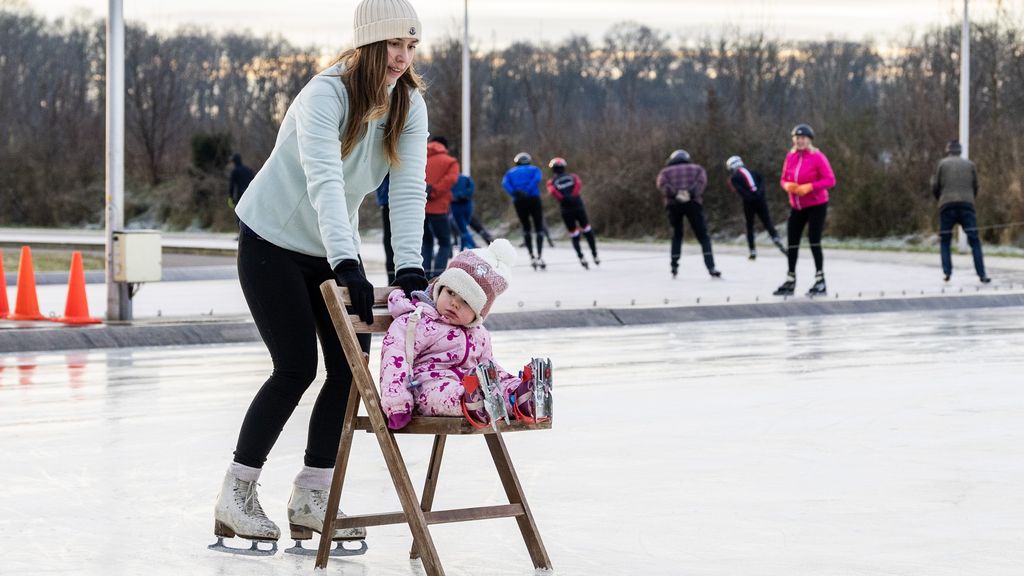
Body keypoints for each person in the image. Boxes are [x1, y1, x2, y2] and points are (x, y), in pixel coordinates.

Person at [213, 0, 430, 554]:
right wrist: (347, 261)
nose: (402, 58)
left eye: (410, 47)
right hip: (271, 241)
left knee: (348, 371)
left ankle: (312, 497)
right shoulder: (324, 95)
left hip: (328, 251)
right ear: (366, 45)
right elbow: (324, 181)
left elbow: (405, 190)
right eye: (391, 47)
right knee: (295, 367)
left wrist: (409, 265)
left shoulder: (408, 104)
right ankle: (236, 494)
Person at [378, 239, 548, 429]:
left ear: (478, 313)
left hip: (474, 383)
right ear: (439, 287)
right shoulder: (415, 322)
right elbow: (394, 361)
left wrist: (508, 381)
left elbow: (488, 367)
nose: (454, 303)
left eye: (466, 301)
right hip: (428, 387)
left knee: (496, 385)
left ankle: (521, 397)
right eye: (450, 292)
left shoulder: (479, 334)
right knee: (445, 392)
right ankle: (471, 401)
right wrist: (398, 405)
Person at [773, 123, 836, 297]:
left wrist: (810, 187)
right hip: (797, 206)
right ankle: (791, 278)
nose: (800, 141)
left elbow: (830, 180)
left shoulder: (817, 157)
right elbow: (783, 179)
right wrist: (788, 186)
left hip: (816, 204)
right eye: (797, 138)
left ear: (809, 140)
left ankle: (820, 280)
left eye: (803, 138)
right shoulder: (790, 157)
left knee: (814, 240)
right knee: (792, 241)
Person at [655, 149, 721, 279]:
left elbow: (662, 185)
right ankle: (711, 267)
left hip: (674, 204)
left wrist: (676, 194)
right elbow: (701, 183)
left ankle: (674, 266)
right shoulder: (697, 169)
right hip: (693, 204)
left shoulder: (665, 172)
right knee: (703, 237)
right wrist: (690, 194)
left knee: (677, 235)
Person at [932, 140, 991, 283]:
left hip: (947, 205)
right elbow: (975, 186)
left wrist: (940, 200)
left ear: (948, 150)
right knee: (974, 241)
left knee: (945, 241)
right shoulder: (970, 165)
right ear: (960, 151)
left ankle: (947, 272)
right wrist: (970, 199)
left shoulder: (942, 164)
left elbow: (935, 186)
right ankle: (982, 274)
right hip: (967, 205)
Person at [725, 155, 785, 260]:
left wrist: (750, 197)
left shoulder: (734, 178)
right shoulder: (754, 172)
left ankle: (752, 250)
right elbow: (762, 183)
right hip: (760, 200)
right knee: (767, 222)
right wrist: (759, 194)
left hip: (749, 202)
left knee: (750, 226)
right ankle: (776, 239)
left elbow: (740, 191)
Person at [546, 157, 600, 269]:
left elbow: (553, 192)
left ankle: (581, 257)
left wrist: (564, 198)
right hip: (578, 206)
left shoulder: (551, 182)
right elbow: (578, 186)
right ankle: (595, 255)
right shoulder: (573, 177)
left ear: (553, 169)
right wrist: (572, 196)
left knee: (574, 234)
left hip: (566, 209)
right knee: (587, 230)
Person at [501, 152, 547, 270]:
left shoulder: (510, 172)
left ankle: (531, 256)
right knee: (538, 226)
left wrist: (515, 192)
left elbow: (505, 183)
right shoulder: (535, 169)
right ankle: (539, 256)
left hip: (519, 201)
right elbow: (537, 180)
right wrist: (527, 190)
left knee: (526, 227)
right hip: (533, 198)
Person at [423, 136, 458, 277]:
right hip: (439, 208)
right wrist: (434, 191)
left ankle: (424, 275)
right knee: (444, 242)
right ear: (445, 147)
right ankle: (437, 276)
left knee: (426, 242)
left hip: (421, 206)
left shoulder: (421, 158)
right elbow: (451, 180)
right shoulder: (450, 162)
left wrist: (425, 190)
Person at [376, 174, 396, 285]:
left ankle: (391, 277)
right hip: (391, 199)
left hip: (386, 199)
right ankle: (392, 277)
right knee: (390, 240)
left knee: (389, 240)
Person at [450, 172, 478, 250]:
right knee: (464, 227)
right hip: (467, 204)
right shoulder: (466, 178)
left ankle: (473, 246)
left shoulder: (450, 179)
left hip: (457, 205)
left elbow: (447, 192)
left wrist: (457, 196)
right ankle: (464, 247)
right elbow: (472, 188)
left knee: (463, 229)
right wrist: (464, 195)